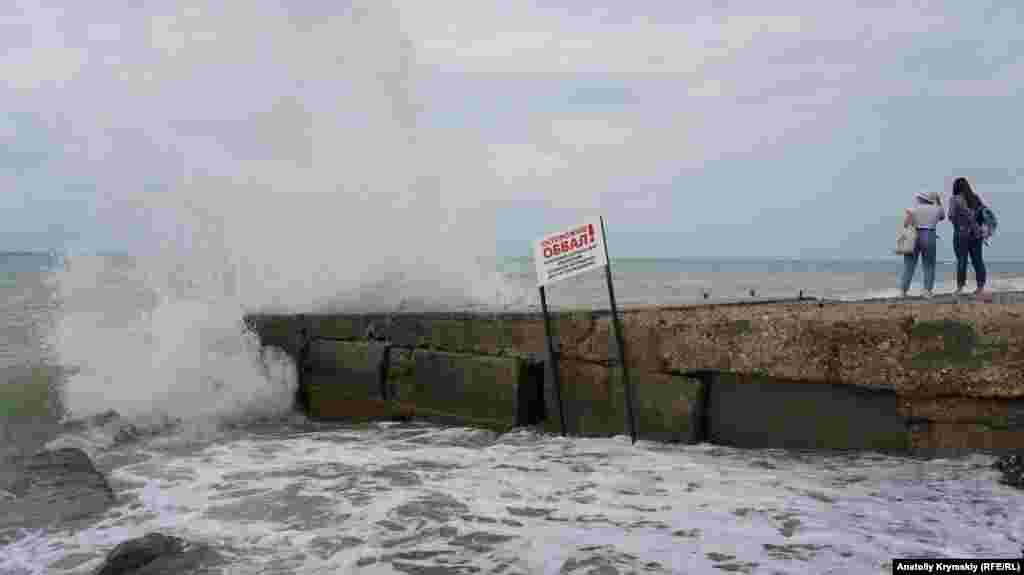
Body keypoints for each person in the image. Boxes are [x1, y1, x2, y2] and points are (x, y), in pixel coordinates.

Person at [900, 190, 944, 298]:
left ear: (920, 199)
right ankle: (927, 291)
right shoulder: (937, 209)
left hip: (914, 236)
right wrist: (938, 201)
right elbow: (942, 217)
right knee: (929, 265)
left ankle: (903, 291)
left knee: (909, 265)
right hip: (929, 235)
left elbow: (906, 224)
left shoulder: (913, 209)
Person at [948, 177, 987, 296]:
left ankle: (960, 288)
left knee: (962, 260)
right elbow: (983, 214)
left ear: (955, 187)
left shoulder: (954, 199)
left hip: (961, 234)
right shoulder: (975, 198)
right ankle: (980, 288)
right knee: (978, 260)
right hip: (976, 234)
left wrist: (958, 222)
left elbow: (951, 215)